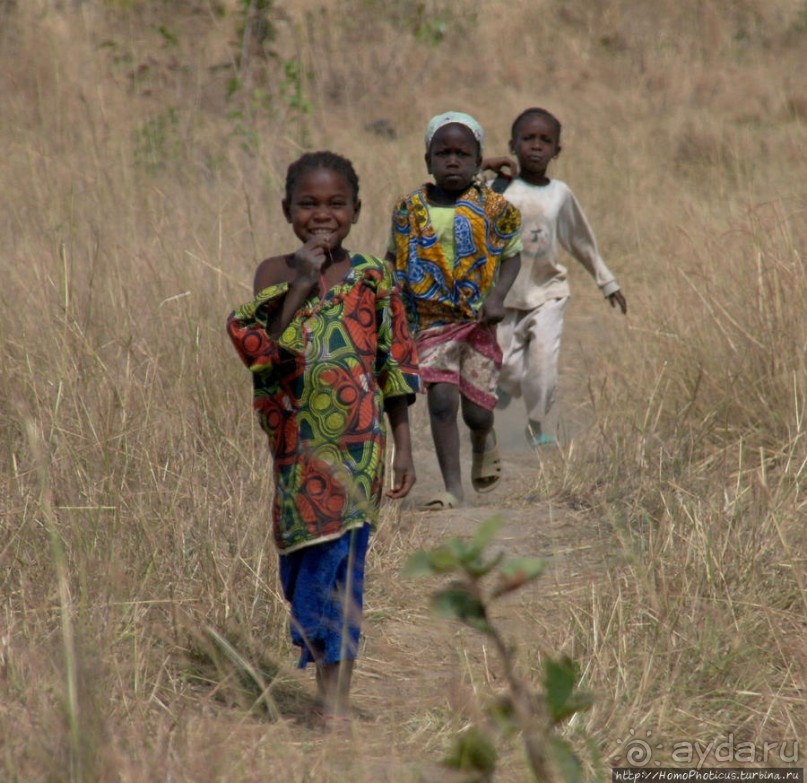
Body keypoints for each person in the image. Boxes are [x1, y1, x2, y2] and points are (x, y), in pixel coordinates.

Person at [226, 151, 420, 723]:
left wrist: (404, 444)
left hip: (359, 451)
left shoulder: (372, 277)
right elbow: (263, 354)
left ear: (356, 211)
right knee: (300, 569)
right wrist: (301, 285)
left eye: (336, 203)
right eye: (308, 204)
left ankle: (333, 704)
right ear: (287, 210)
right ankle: (319, 665)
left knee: (345, 573)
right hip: (297, 451)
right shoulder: (273, 274)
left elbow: (394, 365)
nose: (322, 215)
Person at [386, 111, 522, 510]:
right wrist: (389, 294)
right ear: (427, 160)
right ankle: (452, 489)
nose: (452, 160)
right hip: (429, 321)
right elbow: (394, 258)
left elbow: (511, 258)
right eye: (442, 152)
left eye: (463, 154)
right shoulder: (408, 208)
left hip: (477, 321)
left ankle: (484, 438)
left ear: (479, 161)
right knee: (441, 402)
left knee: (477, 413)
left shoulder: (495, 207)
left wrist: (497, 298)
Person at [483, 107, 627, 447]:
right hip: (505, 295)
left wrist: (607, 282)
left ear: (557, 150)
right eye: (528, 139)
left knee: (543, 364)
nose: (536, 146)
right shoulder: (498, 189)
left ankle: (537, 425)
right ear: (513, 145)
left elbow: (580, 239)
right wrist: (483, 166)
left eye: (545, 140)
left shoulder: (559, 193)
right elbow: (463, 200)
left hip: (548, 291)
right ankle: (504, 390)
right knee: (507, 367)